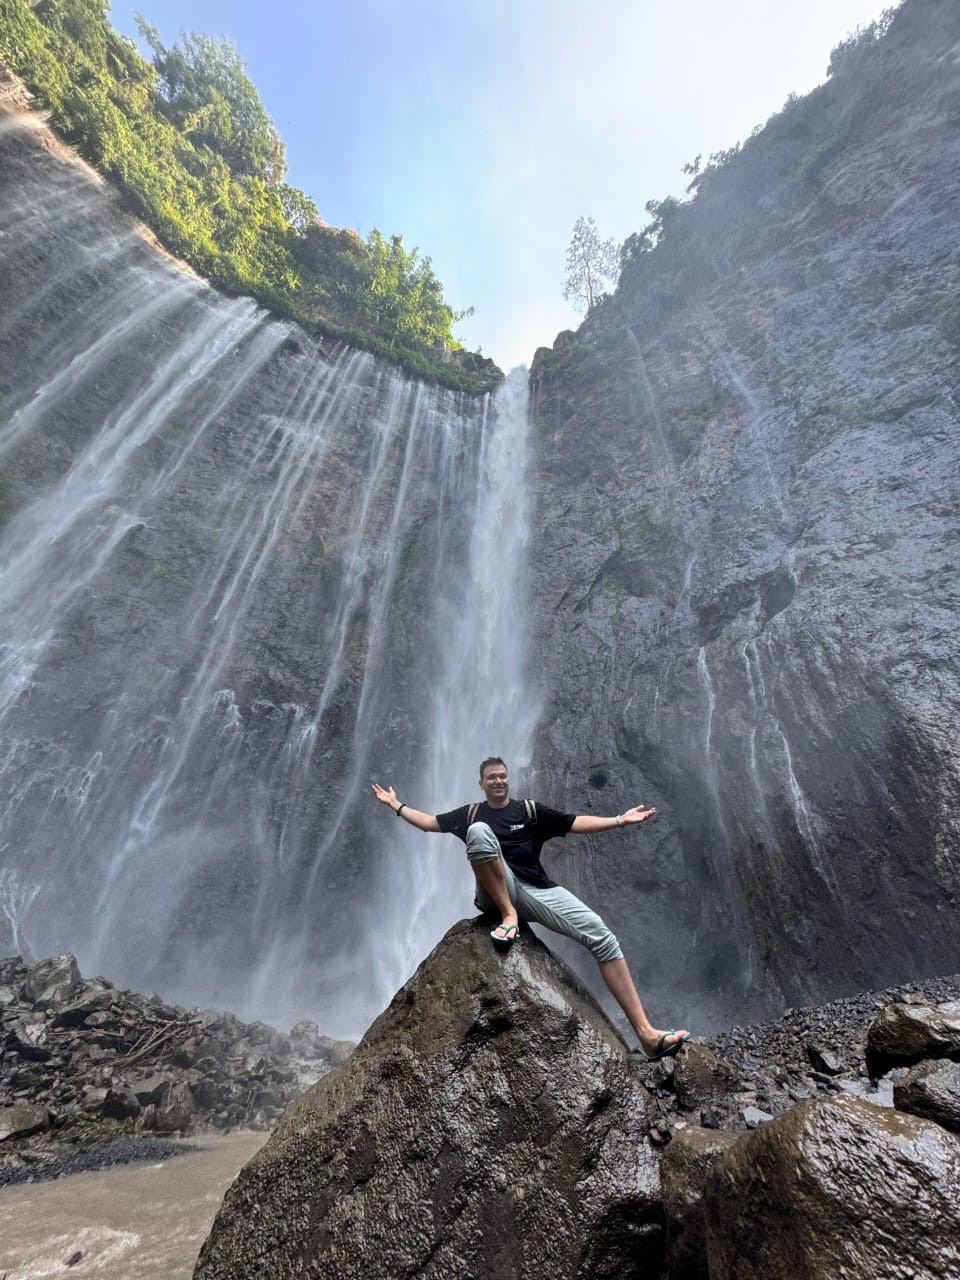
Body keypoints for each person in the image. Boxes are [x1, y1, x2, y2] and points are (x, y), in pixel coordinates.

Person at [372, 756, 690, 1061]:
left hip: (534, 888)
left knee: (602, 936)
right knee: (478, 832)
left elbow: (574, 823)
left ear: (508, 779)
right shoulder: (471, 814)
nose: (498, 781)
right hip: (494, 894)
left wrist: (620, 820)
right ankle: (508, 914)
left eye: (502, 776)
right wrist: (396, 805)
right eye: (491, 777)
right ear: (481, 784)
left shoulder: (529, 811)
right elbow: (430, 823)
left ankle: (647, 1035)